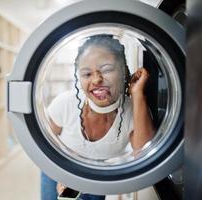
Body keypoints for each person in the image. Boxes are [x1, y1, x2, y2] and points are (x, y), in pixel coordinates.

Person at [41, 34, 155, 200]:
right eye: (87, 74)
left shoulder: (134, 110)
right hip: (58, 170)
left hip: (97, 176)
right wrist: (62, 172)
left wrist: (137, 94)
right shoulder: (65, 104)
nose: (96, 80)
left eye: (107, 69)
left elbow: (144, 152)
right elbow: (44, 143)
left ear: (123, 71)